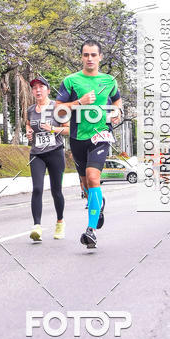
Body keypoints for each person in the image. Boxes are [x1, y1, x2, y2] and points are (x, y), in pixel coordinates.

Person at [55, 40, 122, 249]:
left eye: (94, 55)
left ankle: (90, 231)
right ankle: (98, 203)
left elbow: (117, 101)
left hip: (100, 135)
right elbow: (58, 110)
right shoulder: (71, 81)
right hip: (77, 138)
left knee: (94, 178)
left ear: (100, 57)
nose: (90, 59)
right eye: (86, 55)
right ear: (81, 57)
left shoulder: (110, 81)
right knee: (86, 185)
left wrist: (116, 112)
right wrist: (79, 103)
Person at [25, 76, 69, 241]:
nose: (37, 90)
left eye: (41, 87)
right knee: (37, 188)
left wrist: (52, 129)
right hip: (37, 153)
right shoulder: (30, 109)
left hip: (55, 152)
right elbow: (29, 123)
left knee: (56, 191)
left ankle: (60, 222)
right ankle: (37, 226)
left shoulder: (57, 108)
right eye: (34, 88)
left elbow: (68, 130)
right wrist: (29, 132)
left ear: (48, 90)